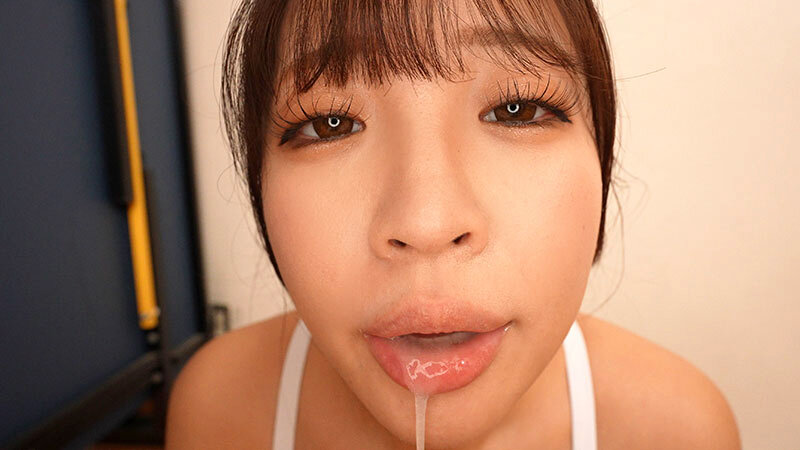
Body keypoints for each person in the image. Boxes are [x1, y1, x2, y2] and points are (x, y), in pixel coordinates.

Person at [166, 0, 741, 448]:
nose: (427, 222)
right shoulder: (219, 404)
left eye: (517, 109)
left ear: (603, 154)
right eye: (330, 123)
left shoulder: (677, 429)